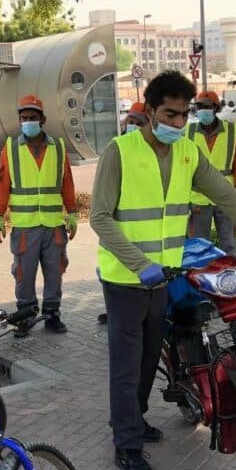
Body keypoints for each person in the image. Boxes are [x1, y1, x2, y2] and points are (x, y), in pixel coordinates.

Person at [90, 70, 236, 470]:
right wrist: (137, 264)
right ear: (147, 111)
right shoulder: (119, 151)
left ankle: (135, 418)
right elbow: (100, 217)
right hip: (126, 280)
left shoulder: (187, 152)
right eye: (170, 114)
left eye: (185, 115)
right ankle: (126, 444)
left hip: (163, 277)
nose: (179, 123)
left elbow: (225, 194)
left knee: (149, 359)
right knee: (127, 365)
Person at [0, 95, 78, 336]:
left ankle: (52, 315)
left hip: (54, 226)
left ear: (43, 119)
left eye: (32, 118)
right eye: (24, 118)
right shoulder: (10, 148)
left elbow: (67, 183)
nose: (28, 122)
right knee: (24, 275)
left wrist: (72, 213)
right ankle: (26, 317)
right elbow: (2, 184)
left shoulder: (59, 148)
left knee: (55, 272)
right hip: (25, 227)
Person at [98, 102, 149, 326]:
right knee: (113, 275)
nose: (134, 126)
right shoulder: (115, 149)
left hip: (145, 231)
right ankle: (113, 313)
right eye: (131, 122)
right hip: (117, 228)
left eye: (140, 123)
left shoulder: (154, 153)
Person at [185, 90, 236, 256]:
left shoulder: (231, 131)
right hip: (198, 199)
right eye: (200, 106)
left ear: (216, 108)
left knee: (229, 244)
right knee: (198, 246)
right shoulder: (187, 132)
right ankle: (199, 279)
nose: (203, 110)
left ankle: (231, 278)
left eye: (207, 106)